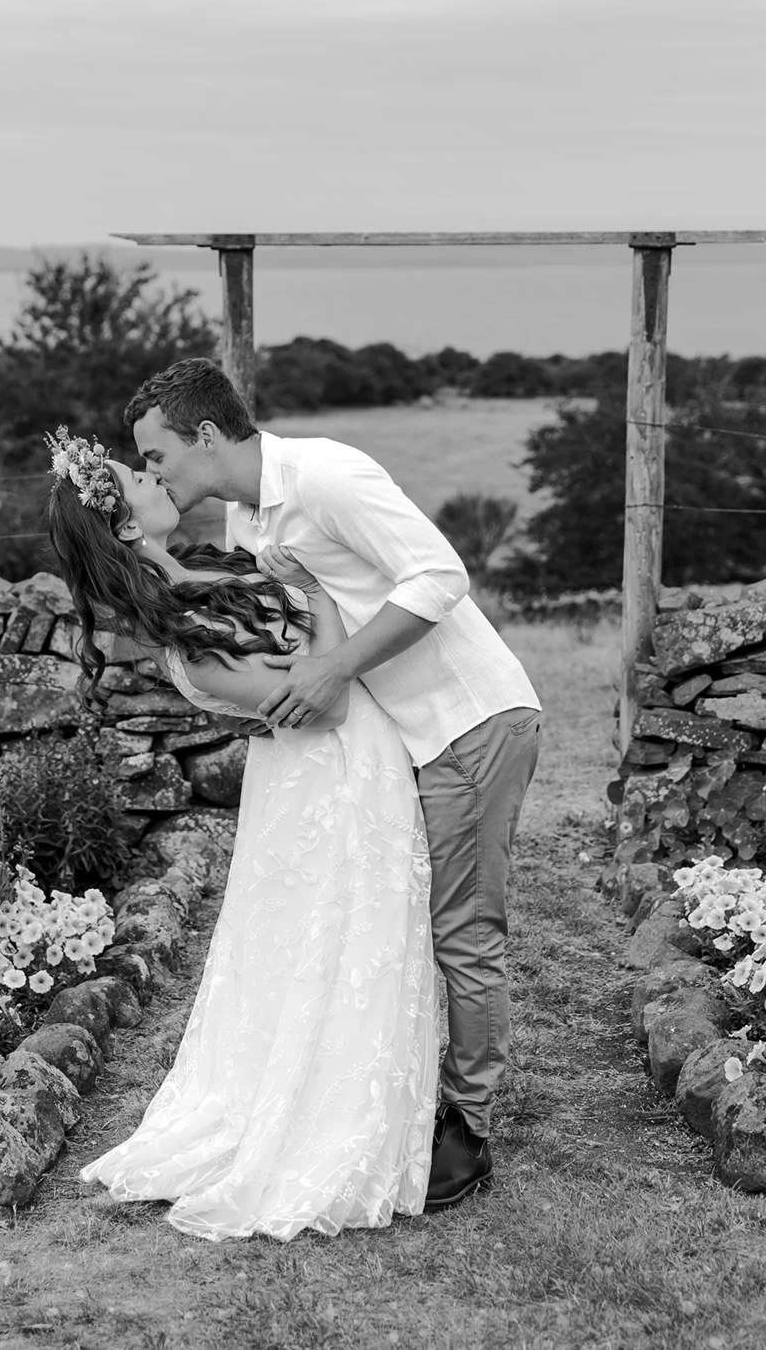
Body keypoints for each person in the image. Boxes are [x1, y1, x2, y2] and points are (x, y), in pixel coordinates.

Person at [125, 358, 542, 1210]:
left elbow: (441, 576)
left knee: (463, 931)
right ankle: (412, 1096)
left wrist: (333, 671)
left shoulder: (327, 476)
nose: (155, 472)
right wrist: (158, 565)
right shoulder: (247, 517)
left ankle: (468, 1126)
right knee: (415, 922)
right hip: (403, 741)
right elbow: (269, 608)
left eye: (156, 454)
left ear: (206, 435)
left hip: (466, 720)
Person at [45, 425, 439, 1243]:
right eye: (138, 473)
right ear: (124, 524)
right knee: (332, 946)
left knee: (346, 947)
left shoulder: (206, 574)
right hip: (331, 782)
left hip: (344, 771)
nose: (155, 473)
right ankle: (318, 1122)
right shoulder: (185, 635)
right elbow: (322, 698)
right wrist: (324, 599)